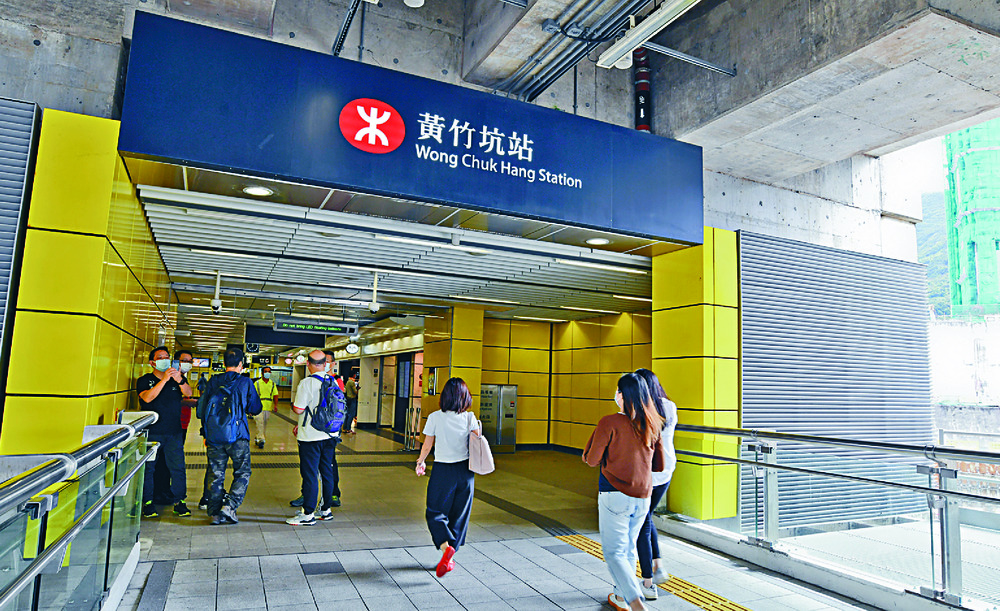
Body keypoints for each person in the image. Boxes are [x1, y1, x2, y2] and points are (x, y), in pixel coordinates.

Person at [582, 373, 666, 611]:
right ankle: (621, 597)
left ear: (622, 395)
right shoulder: (653, 422)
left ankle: (635, 601)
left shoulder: (609, 422)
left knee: (613, 553)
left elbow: (591, 460)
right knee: (628, 548)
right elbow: (659, 465)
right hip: (643, 496)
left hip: (614, 494)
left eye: (617, 391)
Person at [415, 377, 481, 578]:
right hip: (465, 472)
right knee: (459, 515)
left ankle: (446, 548)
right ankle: (450, 557)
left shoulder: (435, 417)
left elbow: (427, 445)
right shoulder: (470, 418)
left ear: (444, 396)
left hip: (443, 470)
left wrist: (421, 462)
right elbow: (477, 442)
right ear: (465, 397)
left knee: (435, 511)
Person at [197, 348, 263, 525]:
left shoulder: (213, 381)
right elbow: (256, 408)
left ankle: (214, 513)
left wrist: (206, 432)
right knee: (242, 471)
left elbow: (202, 410)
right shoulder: (245, 382)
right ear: (241, 364)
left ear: (224, 363)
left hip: (214, 436)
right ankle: (230, 506)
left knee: (215, 473)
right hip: (238, 436)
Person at [633, 368, 678, 601]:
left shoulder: (639, 407)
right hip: (666, 469)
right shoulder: (669, 406)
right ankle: (658, 565)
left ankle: (649, 580)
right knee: (647, 516)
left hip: (647, 471)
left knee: (642, 521)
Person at [286, 350, 343, 525]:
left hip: (310, 436)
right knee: (326, 471)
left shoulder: (307, 383)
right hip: (330, 434)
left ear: (308, 364)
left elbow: (298, 409)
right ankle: (325, 510)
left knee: (310, 474)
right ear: (325, 364)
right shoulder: (332, 381)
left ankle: (308, 514)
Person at [138, 346, 192, 518]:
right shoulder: (145, 380)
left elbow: (188, 393)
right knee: (149, 469)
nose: (165, 359)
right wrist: (164, 380)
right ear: (152, 362)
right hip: (152, 432)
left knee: (177, 468)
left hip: (173, 432)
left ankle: (180, 502)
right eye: (160, 357)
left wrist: (179, 380)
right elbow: (147, 398)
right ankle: (147, 502)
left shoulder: (177, 379)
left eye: (167, 357)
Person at [252, 366, 279, 448]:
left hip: (268, 407)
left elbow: (275, 395)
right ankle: (261, 440)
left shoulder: (272, 384)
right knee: (259, 422)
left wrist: (275, 405)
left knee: (263, 424)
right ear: (262, 373)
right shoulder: (257, 383)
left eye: (269, 371)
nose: (267, 373)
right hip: (258, 407)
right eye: (265, 371)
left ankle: (257, 438)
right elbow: (252, 395)